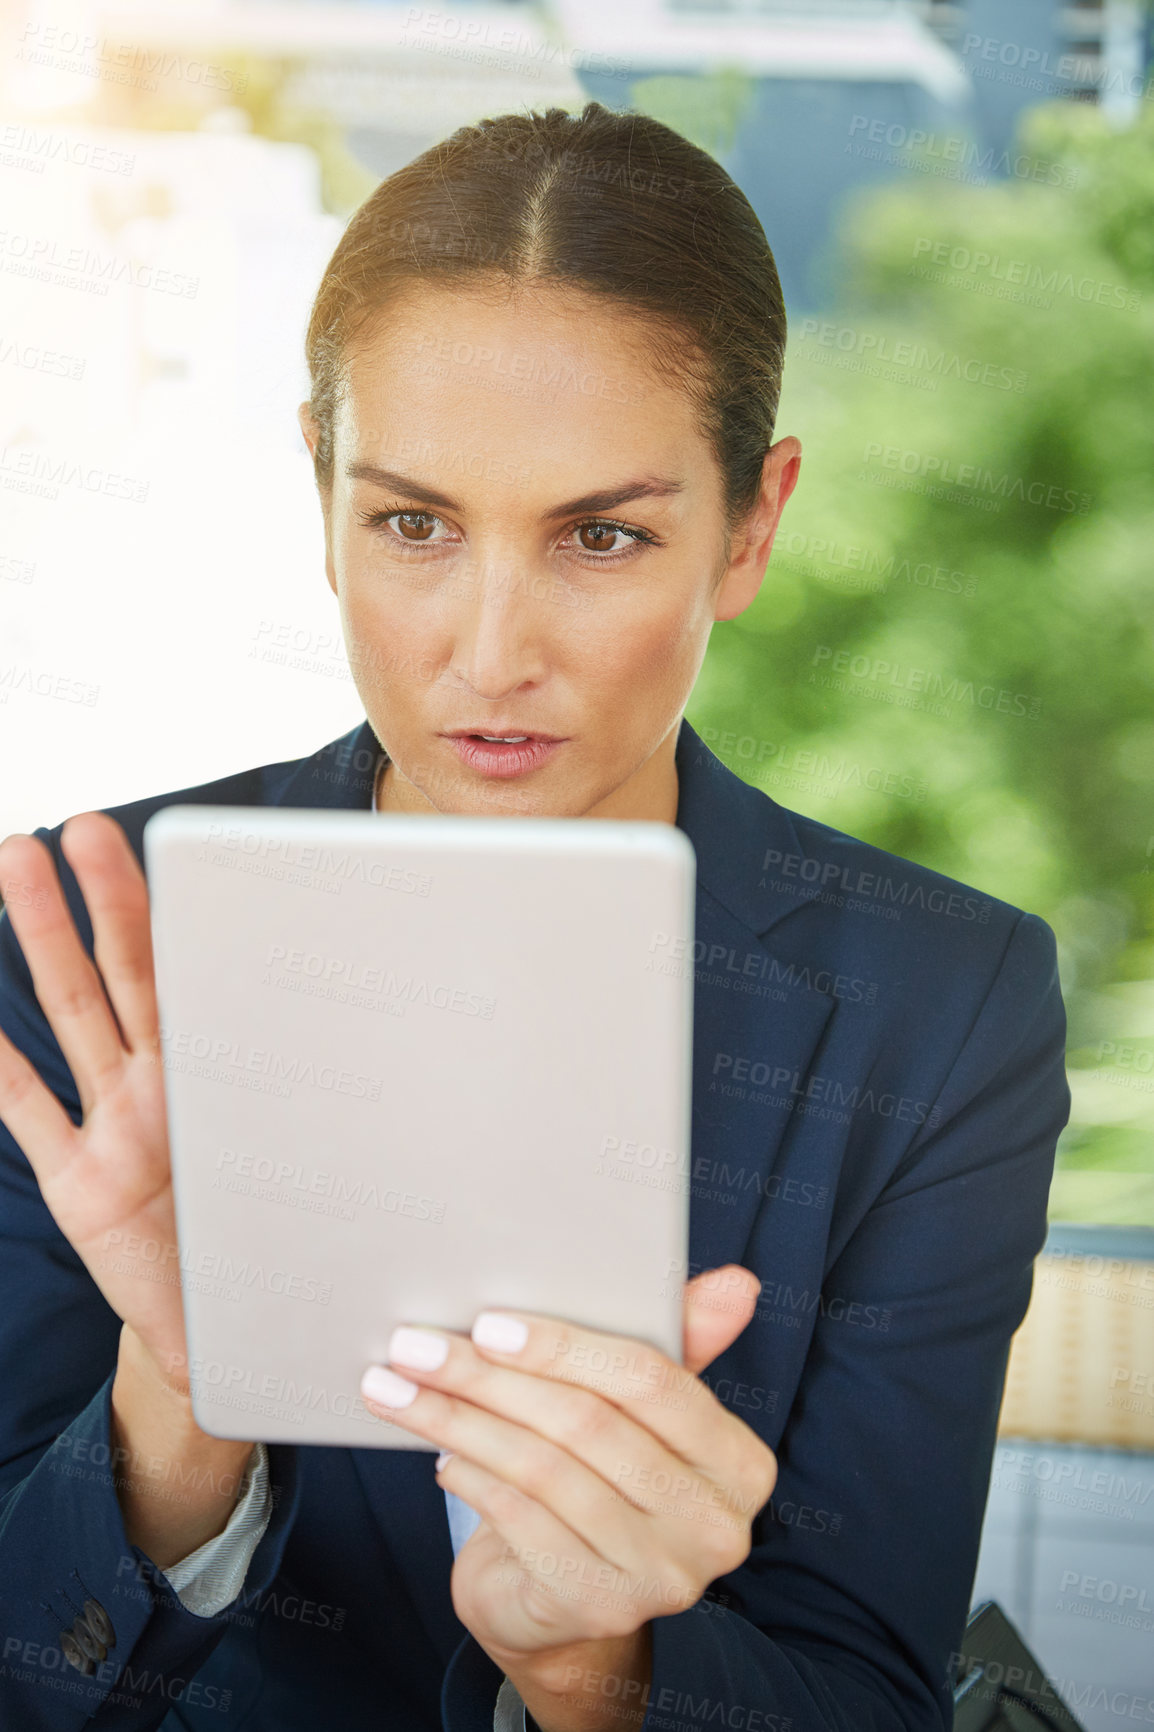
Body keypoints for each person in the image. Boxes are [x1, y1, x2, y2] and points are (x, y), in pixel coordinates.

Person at [0, 102, 1070, 1732]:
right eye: (412, 524)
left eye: (602, 535)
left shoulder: (937, 1002)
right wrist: (179, 1403)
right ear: (322, 485)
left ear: (752, 524)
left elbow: (862, 1685)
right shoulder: (89, 952)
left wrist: (592, 1670)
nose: (489, 653)